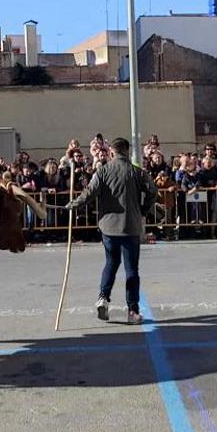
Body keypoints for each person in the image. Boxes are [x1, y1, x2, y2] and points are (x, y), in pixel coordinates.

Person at [65, 137, 157, 325]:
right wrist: (143, 210)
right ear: (127, 152)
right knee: (131, 269)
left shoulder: (103, 171)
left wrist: (74, 204)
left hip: (108, 227)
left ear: (112, 152)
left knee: (111, 263)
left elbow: (89, 193)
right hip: (130, 226)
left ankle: (103, 298)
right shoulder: (136, 172)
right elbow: (153, 191)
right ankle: (132, 310)